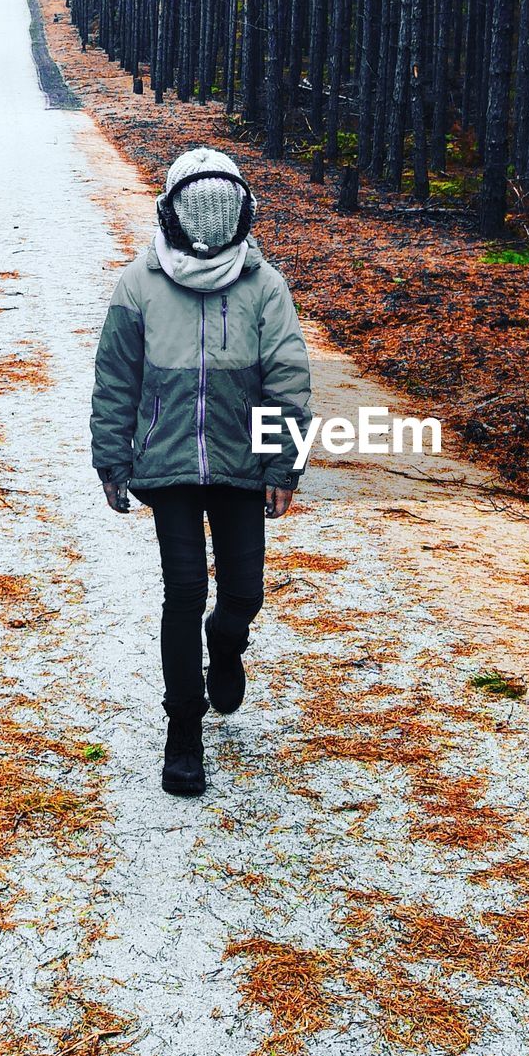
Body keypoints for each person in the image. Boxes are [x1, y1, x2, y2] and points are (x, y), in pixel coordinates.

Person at [90, 146, 312, 797]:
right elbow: (115, 381)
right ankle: (183, 731)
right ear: (173, 212)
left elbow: (288, 380)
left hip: (243, 464)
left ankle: (228, 636)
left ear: (242, 214)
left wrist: (283, 463)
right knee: (184, 590)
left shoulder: (264, 286)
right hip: (168, 466)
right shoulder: (139, 284)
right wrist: (112, 457)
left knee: (242, 591)